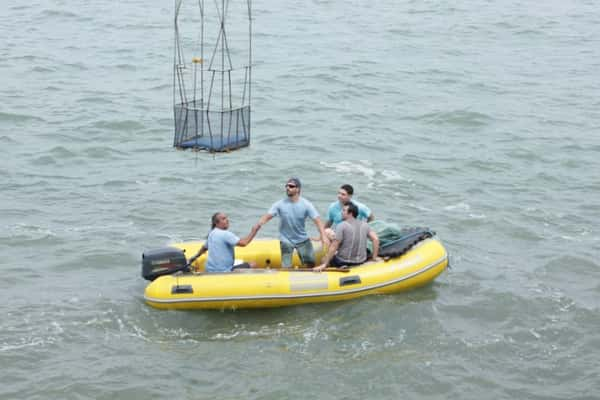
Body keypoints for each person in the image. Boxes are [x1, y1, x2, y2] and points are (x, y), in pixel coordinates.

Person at [258, 177, 328, 268]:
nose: (288, 188)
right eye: (286, 186)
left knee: (310, 264)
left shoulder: (306, 204)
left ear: (298, 189)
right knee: (286, 267)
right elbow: (267, 216)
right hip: (286, 239)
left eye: (291, 186)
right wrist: (259, 224)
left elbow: (318, 221)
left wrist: (323, 236)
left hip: (302, 239)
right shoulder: (280, 204)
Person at [314, 202, 380, 272]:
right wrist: (374, 258)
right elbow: (375, 239)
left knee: (324, 259)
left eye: (344, 210)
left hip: (343, 261)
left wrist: (325, 263)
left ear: (350, 213)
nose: (341, 212)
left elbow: (334, 246)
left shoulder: (342, 225)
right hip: (361, 261)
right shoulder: (365, 225)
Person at [190, 212, 261, 273]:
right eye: (223, 219)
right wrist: (254, 231)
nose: (227, 220)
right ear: (216, 223)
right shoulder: (225, 234)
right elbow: (244, 243)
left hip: (210, 270)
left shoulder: (212, 233)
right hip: (224, 271)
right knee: (253, 264)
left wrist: (195, 256)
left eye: (226, 218)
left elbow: (204, 248)